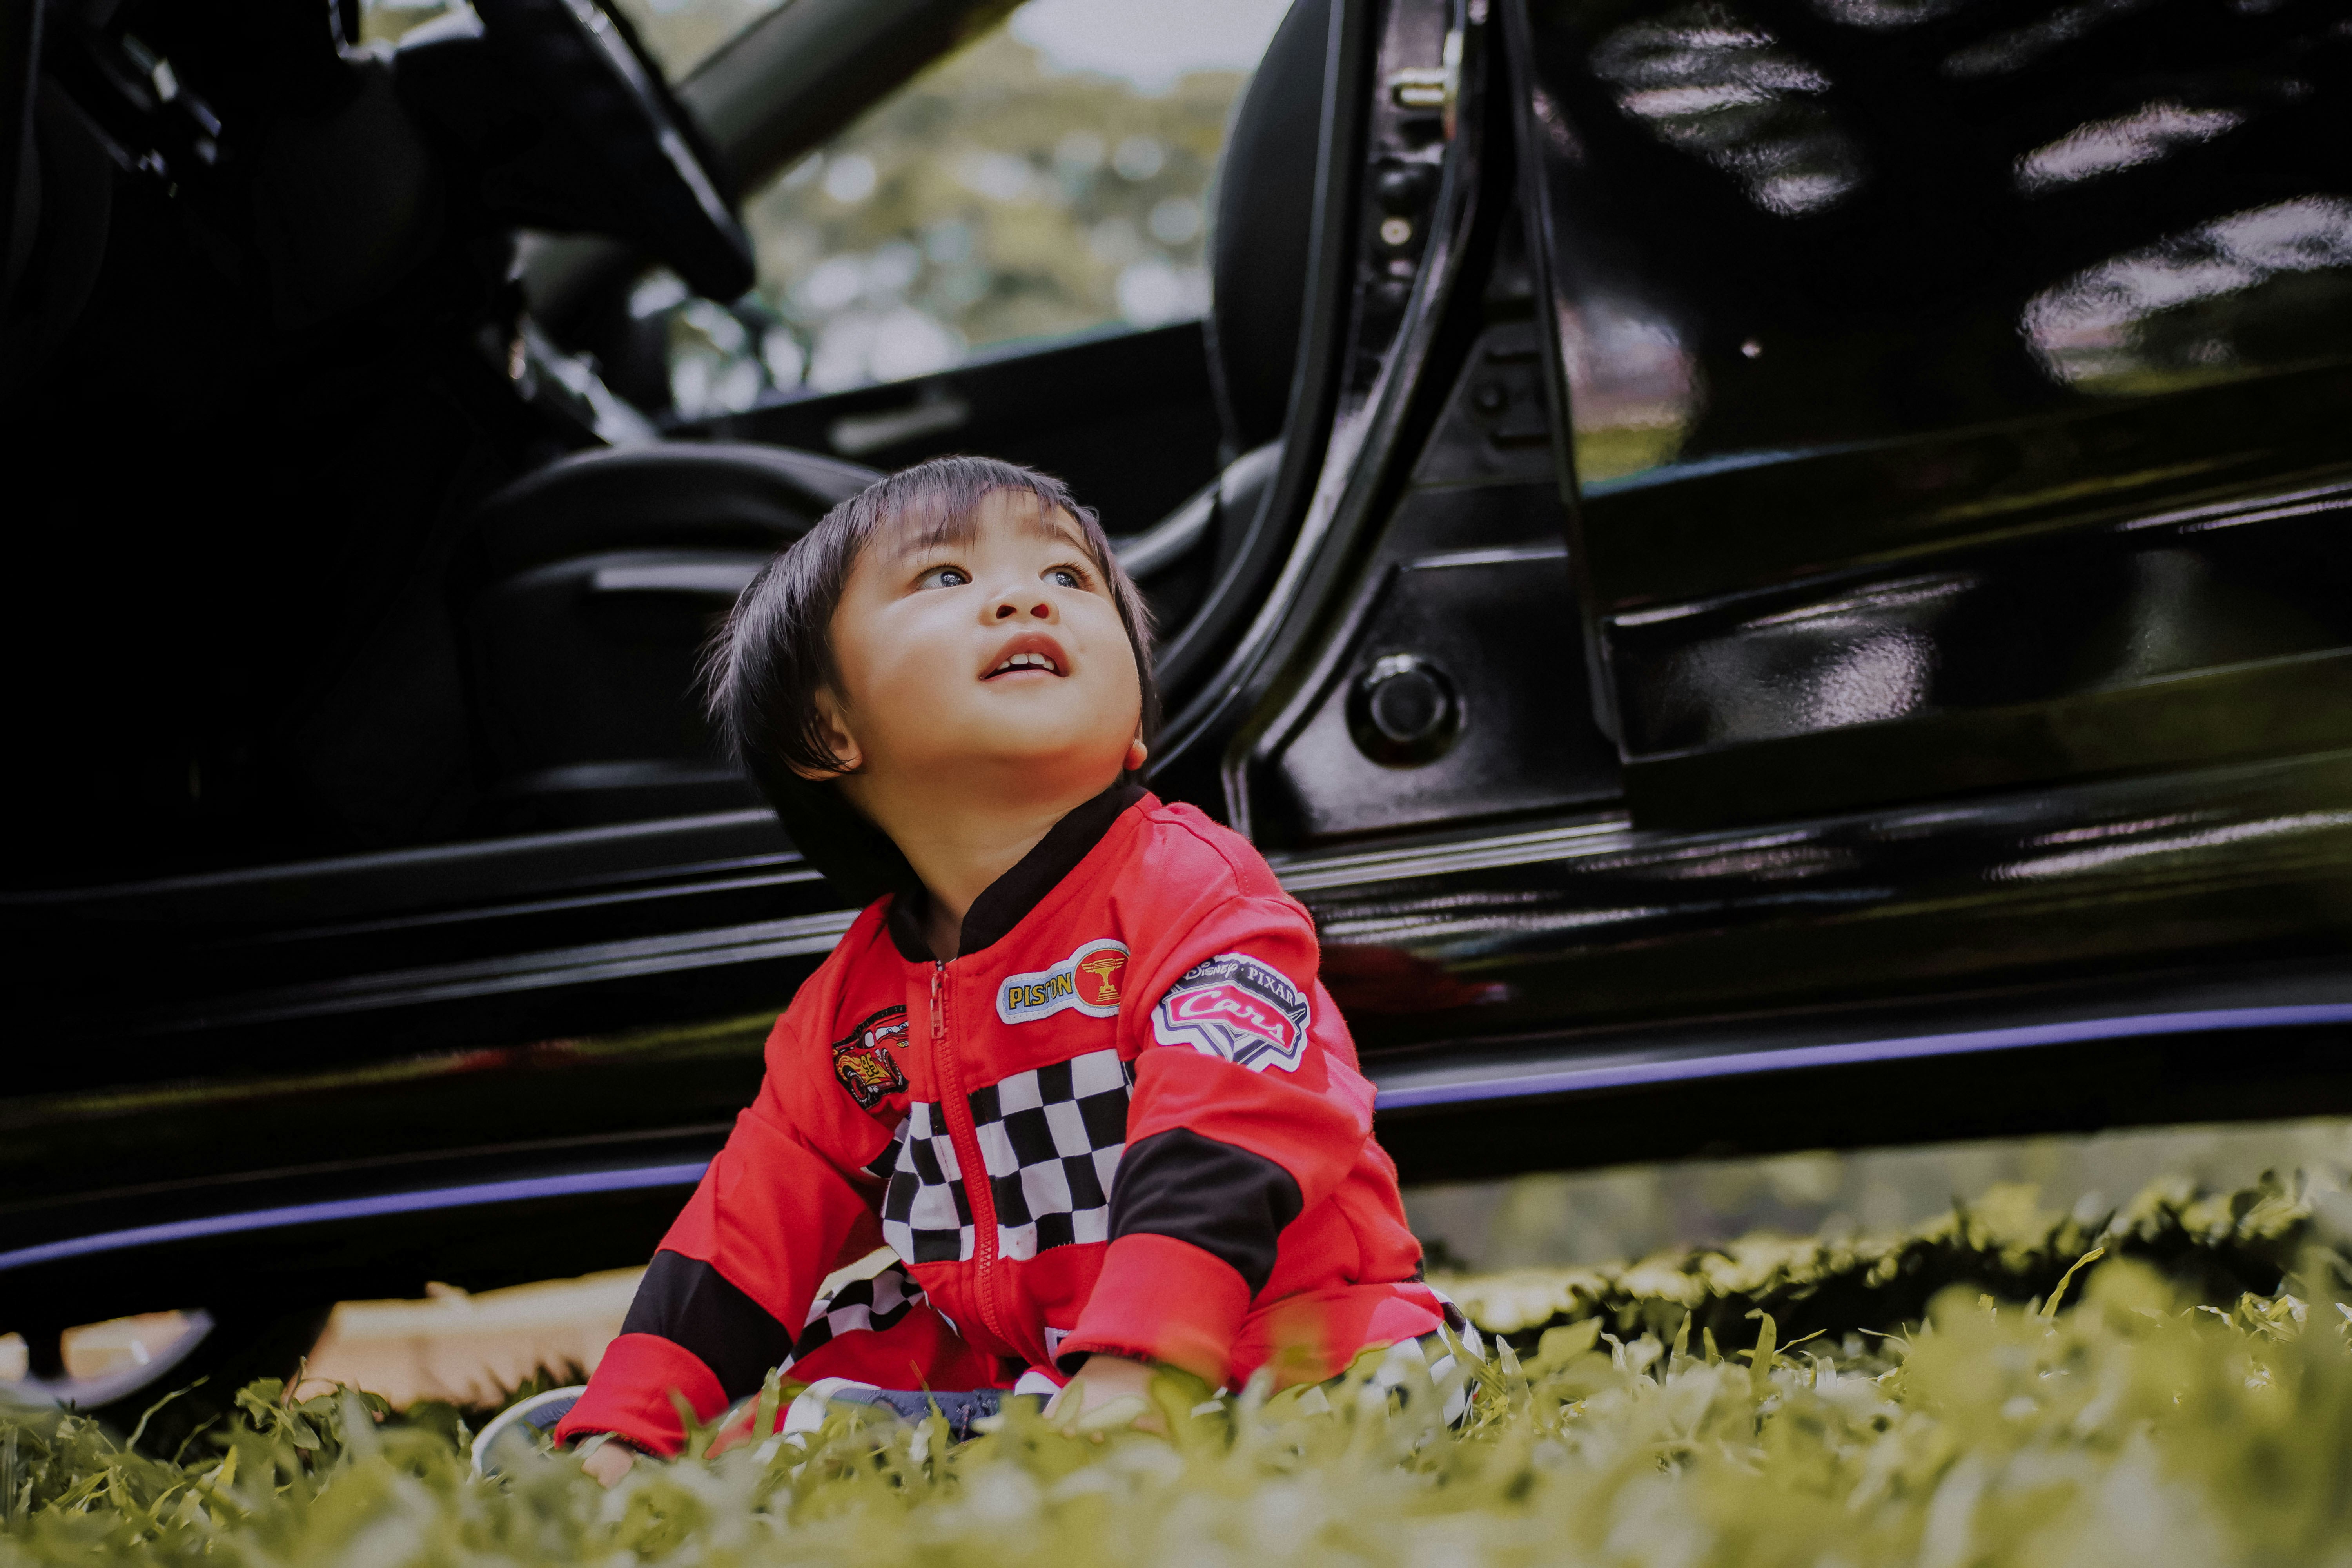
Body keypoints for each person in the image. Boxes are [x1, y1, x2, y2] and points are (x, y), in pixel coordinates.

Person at [554, 456, 1454, 1483]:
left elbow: (1231, 1126)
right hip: (1039, 1357)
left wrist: (1139, 1372)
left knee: (1348, 1413)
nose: (1027, 595)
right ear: (825, 729)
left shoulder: (1188, 891)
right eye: (945, 578)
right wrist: (629, 1426)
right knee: (819, 1402)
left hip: (1286, 1340)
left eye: (1071, 579)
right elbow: (749, 1222)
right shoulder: (853, 1004)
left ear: (1135, 726)